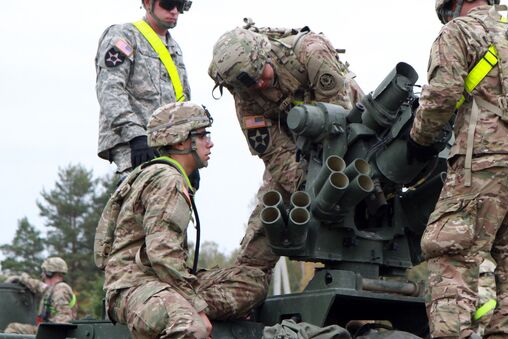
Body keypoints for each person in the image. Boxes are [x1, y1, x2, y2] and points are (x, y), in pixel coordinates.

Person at [408, 0, 508, 338]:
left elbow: (441, 97)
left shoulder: (458, 32)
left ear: (452, 7)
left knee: (451, 255)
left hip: (485, 162)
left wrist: (419, 140)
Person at [207, 19, 364, 308]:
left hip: (350, 140)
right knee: (267, 220)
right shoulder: (245, 92)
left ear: (266, 56)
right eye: (251, 85)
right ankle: (238, 296)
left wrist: (326, 183)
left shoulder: (310, 54)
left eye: (262, 77)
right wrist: (305, 188)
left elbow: (341, 122)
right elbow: (272, 150)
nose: (260, 86)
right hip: (296, 150)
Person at [98, 102, 268, 338]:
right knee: (191, 327)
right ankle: (180, 309)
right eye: (202, 135)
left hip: (163, 282)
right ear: (180, 141)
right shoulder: (168, 180)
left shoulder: (166, 175)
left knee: (252, 281)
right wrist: (196, 309)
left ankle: (180, 304)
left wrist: (193, 301)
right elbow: (162, 255)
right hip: (134, 287)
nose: (210, 143)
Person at [95, 0, 199, 187]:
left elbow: (182, 102)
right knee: (139, 208)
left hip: (171, 149)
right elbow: (110, 90)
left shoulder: (174, 48)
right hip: (135, 145)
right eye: (168, 4)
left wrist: (190, 150)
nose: (174, 11)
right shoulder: (124, 36)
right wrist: (136, 136)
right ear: (147, 3)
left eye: (180, 6)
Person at [4, 257, 77, 335]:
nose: (42, 275)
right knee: (13, 327)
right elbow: (38, 286)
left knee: (13, 328)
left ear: (49, 273)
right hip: (49, 330)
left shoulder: (60, 289)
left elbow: (63, 322)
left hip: (53, 332)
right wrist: (21, 278)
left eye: (44, 271)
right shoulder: (53, 289)